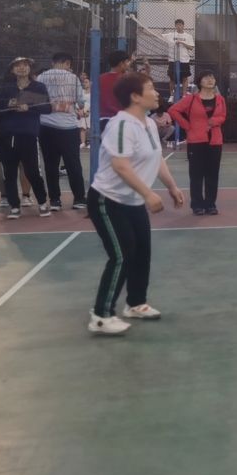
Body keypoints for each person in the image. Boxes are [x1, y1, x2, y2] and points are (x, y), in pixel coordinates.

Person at [86, 71, 186, 335]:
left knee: (142, 251)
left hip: (133, 200)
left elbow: (157, 157)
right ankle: (101, 315)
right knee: (122, 255)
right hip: (108, 200)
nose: (156, 93)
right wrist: (148, 194)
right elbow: (120, 165)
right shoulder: (121, 125)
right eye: (151, 88)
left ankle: (135, 303)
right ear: (135, 97)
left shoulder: (149, 123)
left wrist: (172, 187)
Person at [0, 57, 53, 219]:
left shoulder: (38, 87)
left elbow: (47, 107)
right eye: (17, 65)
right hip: (7, 136)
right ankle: (14, 206)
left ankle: (42, 202)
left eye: (25, 65)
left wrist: (29, 107)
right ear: (12, 69)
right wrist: (8, 105)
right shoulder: (5, 88)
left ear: (30, 68)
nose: (22, 68)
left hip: (28, 135)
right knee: (9, 173)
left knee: (33, 171)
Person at [168, 69, 227, 216]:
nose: (210, 80)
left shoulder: (220, 99)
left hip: (215, 141)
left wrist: (214, 121)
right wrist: (187, 125)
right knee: (196, 175)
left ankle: (211, 204)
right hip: (196, 141)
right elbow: (173, 110)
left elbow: (223, 116)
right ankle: (197, 205)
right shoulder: (191, 99)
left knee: (212, 174)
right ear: (199, 82)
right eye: (206, 77)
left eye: (212, 77)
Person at [38, 51, 88, 212]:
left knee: (50, 165)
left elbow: (35, 101)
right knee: (73, 164)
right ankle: (79, 199)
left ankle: (55, 200)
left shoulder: (42, 77)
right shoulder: (73, 78)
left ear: (53, 62)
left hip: (46, 126)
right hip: (68, 128)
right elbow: (81, 102)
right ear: (67, 63)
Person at [98, 50, 132, 132]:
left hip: (101, 120)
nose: (128, 64)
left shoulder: (100, 78)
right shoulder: (126, 79)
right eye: (127, 62)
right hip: (120, 120)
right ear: (121, 63)